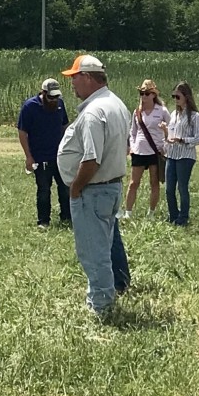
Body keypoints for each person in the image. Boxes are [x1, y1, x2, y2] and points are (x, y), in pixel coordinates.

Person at [57, 55, 133, 315]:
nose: (72, 84)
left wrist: (75, 188)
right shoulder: (116, 104)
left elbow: (91, 159)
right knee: (104, 244)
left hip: (93, 190)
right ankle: (105, 293)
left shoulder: (93, 112)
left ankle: (101, 304)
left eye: (75, 77)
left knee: (93, 250)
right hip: (111, 187)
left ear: (88, 77)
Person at [16, 78, 71, 229]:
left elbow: (65, 126)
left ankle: (67, 217)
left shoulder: (60, 104)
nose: (54, 100)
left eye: (56, 96)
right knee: (44, 190)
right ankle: (43, 221)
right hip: (40, 157)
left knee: (65, 187)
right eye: (51, 97)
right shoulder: (30, 107)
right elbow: (22, 132)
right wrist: (29, 157)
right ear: (43, 93)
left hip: (60, 156)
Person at [123, 79, 169, 219]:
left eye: (147, 93)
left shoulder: (162, 111)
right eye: (141, 93)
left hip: (155, 151)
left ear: (153, 95)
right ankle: (128, 212)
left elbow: (171, 128)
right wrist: (132, 146)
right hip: (139, 151)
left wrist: (164, 145)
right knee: (133, 183)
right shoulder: (137, 112)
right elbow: (133, 132)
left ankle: (151, 213)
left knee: (154, 183)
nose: (144, 96)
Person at [164, 82, 199, 226]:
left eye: (178, 96)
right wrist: (166, 137)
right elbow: (171, 133)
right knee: (169, 189)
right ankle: (173, 215)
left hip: (185, 156)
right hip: (171, 154)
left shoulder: (195, 116)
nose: (175, 99)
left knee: (182, 187)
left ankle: (183, 217)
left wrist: (183, 140)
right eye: (173, 96)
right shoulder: (174, 114)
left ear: (186, 97)